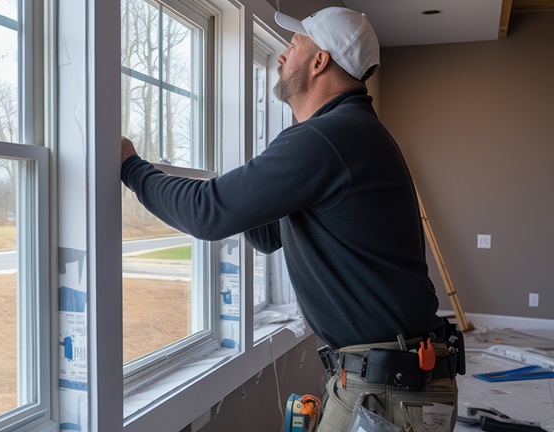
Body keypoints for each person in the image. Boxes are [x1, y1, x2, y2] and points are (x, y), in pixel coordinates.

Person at [121, 6, 464, 431]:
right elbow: (266, 236)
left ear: (320, 61)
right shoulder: (350, 132)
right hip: (386, 379)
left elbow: (206, 214)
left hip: (387, 390)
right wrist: (245, 189)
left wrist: (131, 167)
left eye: (294, 45)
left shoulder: (329, 137)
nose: (282, 56)